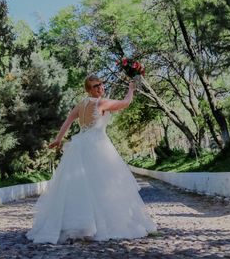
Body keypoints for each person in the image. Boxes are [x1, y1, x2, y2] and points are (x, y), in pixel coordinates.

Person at [26, 74, 157, 244]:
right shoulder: (101, 103)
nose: (100, 87)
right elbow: (125, 103)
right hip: (97, 146)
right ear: (89, 89)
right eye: (96, 86)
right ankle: (97, 225)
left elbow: (68, 121)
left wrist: (59, 139)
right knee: (97, 184)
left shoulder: (81, 104)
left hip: (81, 144)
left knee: (89, 186)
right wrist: (131, 89)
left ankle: (85, 223)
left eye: (101, 84)